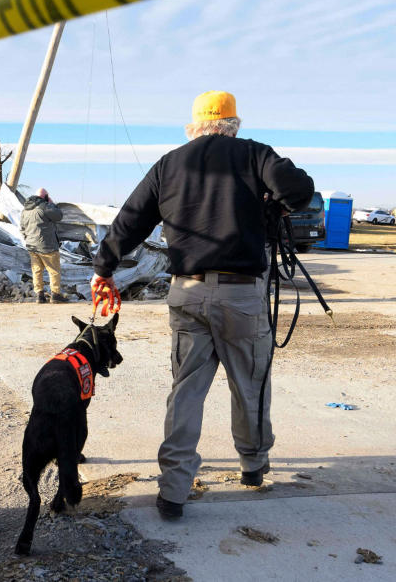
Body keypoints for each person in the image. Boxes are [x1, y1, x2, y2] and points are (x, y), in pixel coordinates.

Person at [91, 91, 314, 520]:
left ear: (193, 124)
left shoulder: (169, 164)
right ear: (233, 123)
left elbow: (129, 220)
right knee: (250, 384)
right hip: (242, 295)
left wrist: (104, 268)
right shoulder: (256, 156)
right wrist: (275, 203)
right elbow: (299, 190)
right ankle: (252, 465)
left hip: (187, 292)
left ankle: (173, 489)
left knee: (186, 390)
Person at [21, 187, 65, 303]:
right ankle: (55, 295)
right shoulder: (45, 207)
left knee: (36, 270)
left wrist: (28, 239)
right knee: (54, 270)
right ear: (45, 196)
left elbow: (22, 228)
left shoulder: (25, 209)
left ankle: (39, 295)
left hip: (32, 246)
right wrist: (51, 203)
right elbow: (59, 216)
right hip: (47, 246)